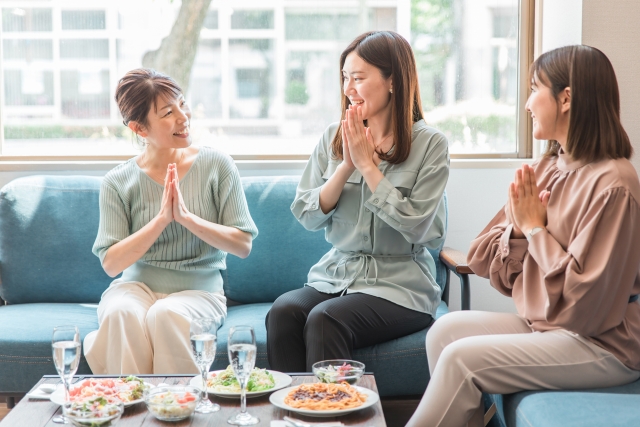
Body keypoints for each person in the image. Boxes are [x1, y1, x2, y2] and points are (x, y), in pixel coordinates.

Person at [407, 45, 640, 427]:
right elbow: (483, 259)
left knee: (460, 360)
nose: (528, 103)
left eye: (535, 89)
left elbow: (587, 308)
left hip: (603, 344)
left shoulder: (614, 184)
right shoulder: (548, 167)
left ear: (566, 98)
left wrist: (535, 230)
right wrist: (518, 227)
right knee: (443, 333)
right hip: (548, 325)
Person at [265, 31, 449, 372]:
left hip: (401, 287)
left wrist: (368, 167)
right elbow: (306, 214)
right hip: (337, 275)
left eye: (359, 78)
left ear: (393, 80)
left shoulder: (431, 144)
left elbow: (419, 225)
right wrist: (347, 165)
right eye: (345, 78)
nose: (348, 88)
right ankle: (292, 417)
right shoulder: (335, 136)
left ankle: (332, 417)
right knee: (284, 312)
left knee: (325, 319)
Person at [83, 68, 258, 375]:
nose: (183, 117)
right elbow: (111, 264)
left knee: (165, 314)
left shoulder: (217, 165)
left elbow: (243, 245)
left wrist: (187, 218)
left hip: (200, 293)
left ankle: (177, 412)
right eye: (168, 112)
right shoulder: (117, 181)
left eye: (182, 104)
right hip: (135, 287)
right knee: (121, 313)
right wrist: (162, 220)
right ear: (140, 129)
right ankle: (132, 413)